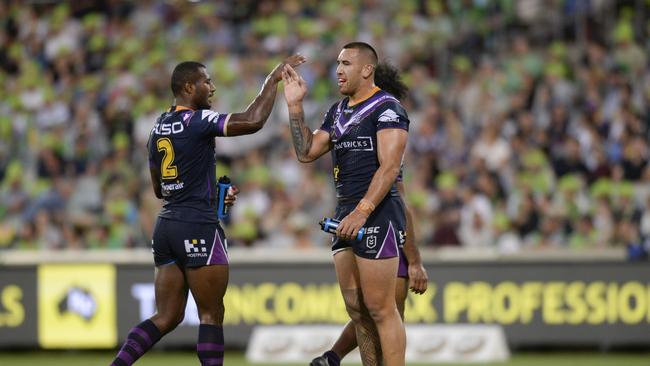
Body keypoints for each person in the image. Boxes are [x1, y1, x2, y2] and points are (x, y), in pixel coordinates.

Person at [109, 54, 305, 366]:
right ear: (189, 87)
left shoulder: (157, 127)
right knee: (211, 314)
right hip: (197, 225)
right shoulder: (197, 121)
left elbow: (160, 188)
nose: (211, 87)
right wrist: (272, 81)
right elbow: (253, 120)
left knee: (167, 316)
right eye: (206, 82)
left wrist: (210, 194)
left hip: (166, 227)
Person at [282, 42, 411, 366]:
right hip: (344, 213)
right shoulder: (337, 111)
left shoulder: (388, 108)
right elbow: (306, 152)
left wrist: (363, 210)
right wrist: (295, 106)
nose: (338, 70)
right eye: (337, 63)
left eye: (346, 63)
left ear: (367, 69)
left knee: (381, 308)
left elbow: (390, 168)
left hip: (375, 212)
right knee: (357, 309)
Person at [311, 180, 429, 366]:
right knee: (382, 313)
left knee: (376, 313)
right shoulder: (382, 158)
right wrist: (414, 262)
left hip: (376, 229)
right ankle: (333, 357)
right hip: (381, 231)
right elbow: (403, 203)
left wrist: (414, 261)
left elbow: (401, 202)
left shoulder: (378, 159)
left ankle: (332, 357)